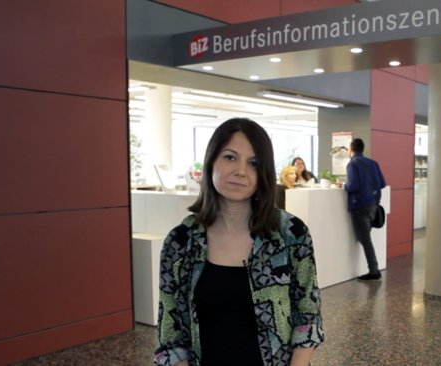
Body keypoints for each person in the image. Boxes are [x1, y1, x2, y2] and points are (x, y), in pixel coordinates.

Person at [154, 118, 324, 366]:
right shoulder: (181, 241)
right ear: (212, 161)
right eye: (230, 157)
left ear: (263, 172)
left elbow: (308, 318)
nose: (240, 171)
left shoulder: (290, 234)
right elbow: (171, 334)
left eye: (253, 163)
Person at [341, 138, 386, 281]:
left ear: (351, 149)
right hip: (373, 204)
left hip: (359, 206)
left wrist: (344, 185)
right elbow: (382, 183)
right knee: (366, 238)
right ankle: (373, 269)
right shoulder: (373, 163)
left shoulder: (352, 164)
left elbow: (353, 186)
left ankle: (374, 270)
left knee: (365, 240)